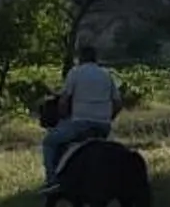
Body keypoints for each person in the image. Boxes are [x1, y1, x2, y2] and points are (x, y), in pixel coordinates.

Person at [41, 43, 122, 189]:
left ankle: (51, 181)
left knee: (49, 142)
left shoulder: (75, 73)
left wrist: (65, 117)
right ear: (95, 58)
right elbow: (117, 103)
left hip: (80, 123)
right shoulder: (107, 74)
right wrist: (108, 118)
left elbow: (63, 102)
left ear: (80, 58)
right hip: (103, 126)